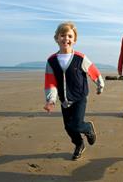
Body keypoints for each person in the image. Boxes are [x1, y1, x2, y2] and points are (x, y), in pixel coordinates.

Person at [44, 21, 105, 161]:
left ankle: (88, 127)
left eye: (70, 36)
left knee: (76, 124)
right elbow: (50, 82)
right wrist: (51, 100)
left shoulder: (80, 58)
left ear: (74, 39)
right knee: (68, 128)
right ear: (56, 38)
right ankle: (79, 144)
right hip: (64, 99)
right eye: (63, 35)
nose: (66, 39)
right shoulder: (51, 61)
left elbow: (93, 71)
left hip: (79, 97)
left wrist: (100, 85)